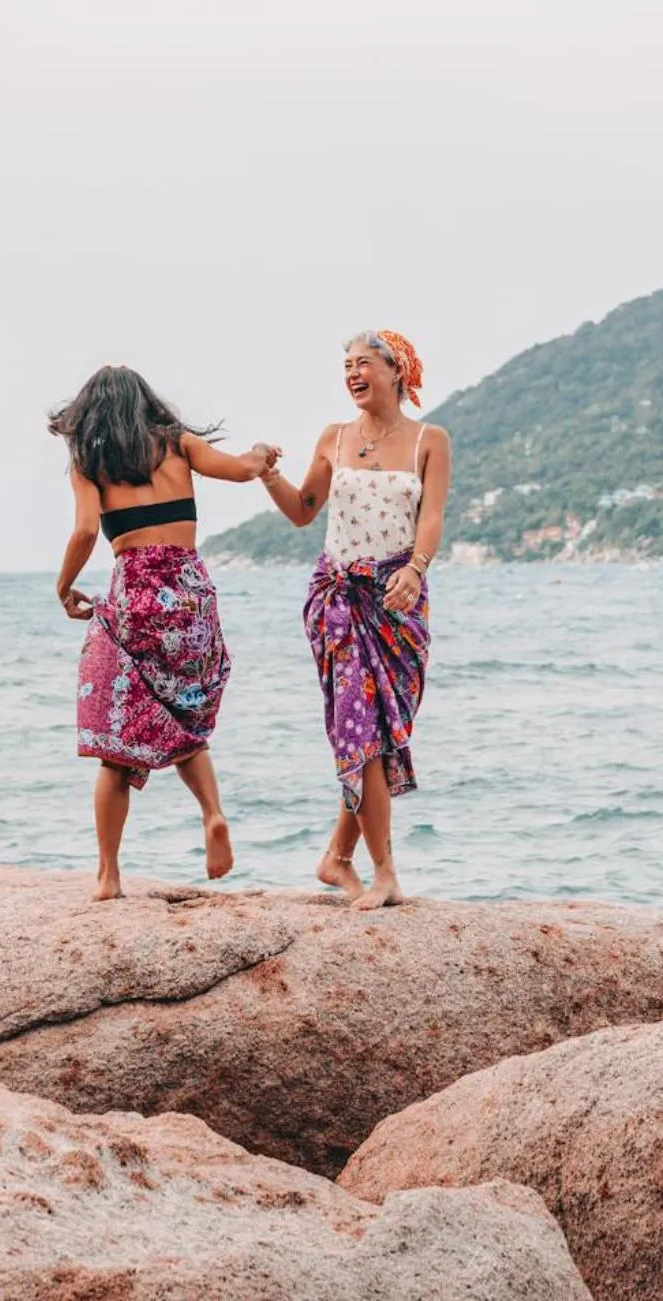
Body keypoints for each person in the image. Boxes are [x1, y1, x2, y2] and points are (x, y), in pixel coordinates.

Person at [50, 365, 277, 901]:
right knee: (182, 714)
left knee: (115, 740)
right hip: (190, 592)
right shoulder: (179, 445)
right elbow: (244, 469)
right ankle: (213, 815)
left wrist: (64, 588)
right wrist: (263, 454)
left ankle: (108, 873)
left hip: (137, 595)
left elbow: (85, 530)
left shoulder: (88, 463)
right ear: (146, 403)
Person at [256, 330, 451, 910]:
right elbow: (302, 512)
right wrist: (270, 476)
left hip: (397, 599)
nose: (353, 373)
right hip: (338, 601)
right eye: (347, 365)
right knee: (360, 733)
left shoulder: (428, 440)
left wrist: (415, 569)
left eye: (364, 363)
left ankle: (336, 858)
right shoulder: (333, 438)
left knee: (384, 735)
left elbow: (432, 516)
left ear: (397, 371)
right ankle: (384, 872)